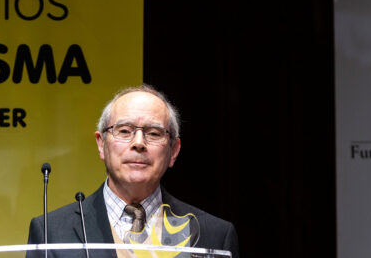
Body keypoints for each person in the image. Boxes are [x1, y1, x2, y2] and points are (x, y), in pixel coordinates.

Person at [27, 85, 239, 258]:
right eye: (125, 131)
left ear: (173, 151)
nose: (139, 143)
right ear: (101, 144)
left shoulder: (214, 235)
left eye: (154, 133)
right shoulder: (51, 232)